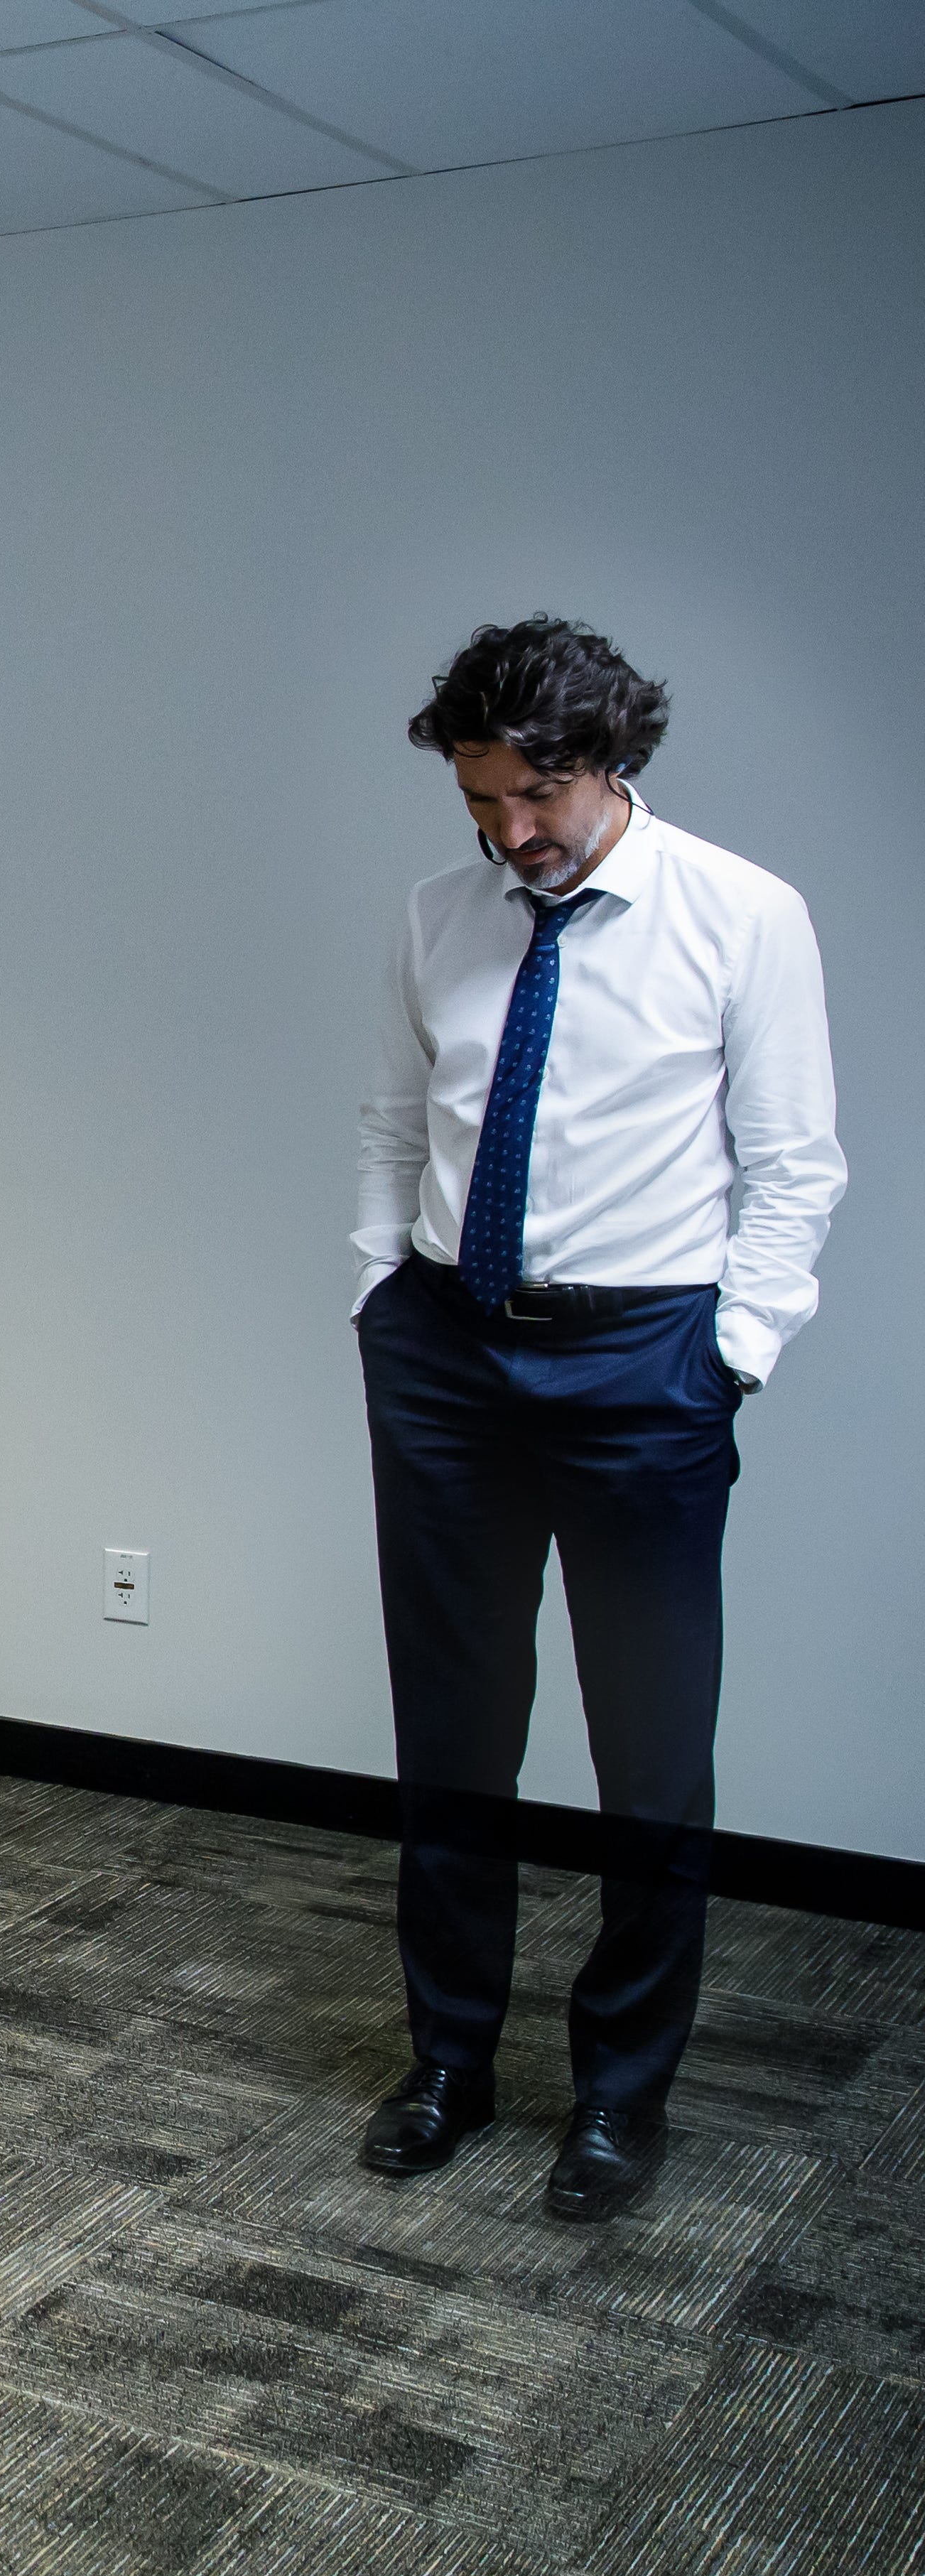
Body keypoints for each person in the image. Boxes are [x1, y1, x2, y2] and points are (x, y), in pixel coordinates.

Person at [351, 619, 838, 2224]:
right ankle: (449, 2058)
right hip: (444, 1352)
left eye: (536, 796)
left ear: (611, 760)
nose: (510, 831)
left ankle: (623, 2090)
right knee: (451, 1732)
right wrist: (378, 1290)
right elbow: (395, 1118)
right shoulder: (437, 915)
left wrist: (729, 1356)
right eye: (480, 800)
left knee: (649, 1748)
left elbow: (792, 1165)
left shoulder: (742, 913)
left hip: (643, 1365)